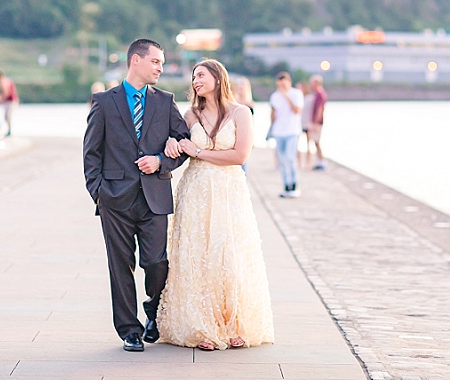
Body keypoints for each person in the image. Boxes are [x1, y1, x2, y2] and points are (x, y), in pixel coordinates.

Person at [158, 59, 275, 351]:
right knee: (197, 255)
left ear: (217, 77)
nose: (196, 81)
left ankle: (235, 324)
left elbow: (239, 156)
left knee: (229, 254)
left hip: (228, 190)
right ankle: (202, 328)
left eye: (201, 75)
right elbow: (174, 143)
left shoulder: (241, 113)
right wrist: (172, 145)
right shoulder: (190, 115)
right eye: (194, 77)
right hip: (195, 190)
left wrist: (199, 150)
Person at [82, 38, 190, 353]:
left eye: (162, 62)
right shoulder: (103, 101)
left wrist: (162, 161)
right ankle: (129, 330)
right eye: (156, 61)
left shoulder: (165, 100)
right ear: (136, 61)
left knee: (157, 262)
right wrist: (99, 194)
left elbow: (183, 141)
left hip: (154, 195)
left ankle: (153, 312)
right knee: (120, 264)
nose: (161, 67)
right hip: (114, 198)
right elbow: (91, 153)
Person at [269, 71, 303, 197]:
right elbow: (273, 113)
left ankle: (295, 184)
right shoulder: (275, 96)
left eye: (283, 84)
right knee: (281, 161)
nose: (281, 87)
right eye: (279, 84)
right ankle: (286, 185)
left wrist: (286, 96)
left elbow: (297, 110)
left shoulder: (296, 94)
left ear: (288, 82)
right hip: (278, 131)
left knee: (290, 157)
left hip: (292, 131)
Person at [309, 74, 328, 171]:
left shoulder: (320, 94)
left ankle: (322, 162)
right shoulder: (317, 93)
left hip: (317, 122)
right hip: (315, 121)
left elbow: (320, 109)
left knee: (317, 142)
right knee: (316, 142)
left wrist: (315, 123)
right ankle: (320, 161)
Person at [0, 71, 18, 136]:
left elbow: (6, 93)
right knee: (7, 117)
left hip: (10, 101)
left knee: (7, 116)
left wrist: (0, 100)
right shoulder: (7, 80)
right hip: (11, 101)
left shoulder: (3, 82)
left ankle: (9, 131)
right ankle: (9, 130)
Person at [297, 81, 314, 169]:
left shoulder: (310, 98)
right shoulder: (297, 98)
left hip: (307, 123)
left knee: (309, 144)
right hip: (298, 124)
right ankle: (299, 163)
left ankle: (308, 163)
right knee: (297, 144)